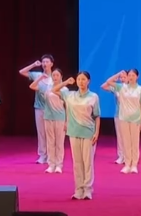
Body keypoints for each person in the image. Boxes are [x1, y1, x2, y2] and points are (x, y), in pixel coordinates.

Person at [53, 71, 101, 199]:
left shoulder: (94, 97)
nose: (81, 82)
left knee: (88, 162)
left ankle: (88, 189)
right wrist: (66, 82)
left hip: (88, 132)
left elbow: (96, 116)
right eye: (79, 79)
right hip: (74, 132)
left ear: (88, 81)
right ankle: (79, 189)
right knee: (77, 163)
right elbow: (54, 89)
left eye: (84, 79)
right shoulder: (70, 95)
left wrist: (96, 132)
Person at [102, 69, 141, 174]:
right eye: (129, 75)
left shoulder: (140, 89)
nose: (131, 77)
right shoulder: (121, 87)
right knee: (126, 142)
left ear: (137, 77)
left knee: (134, 142)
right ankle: (127, 164)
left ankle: (134, 165)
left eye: (133, 75)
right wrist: (118, 74)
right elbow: (108, 82)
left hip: (135, 119)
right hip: (123, 118)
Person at [19, 55, 56, 164]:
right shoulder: (37, 75)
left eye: (47, 62)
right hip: (39, 108)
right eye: (43, 62)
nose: (45, 64)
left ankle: (51, 156)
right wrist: (34, 65)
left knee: (51, 133)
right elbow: (22, 72)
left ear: (51, 64)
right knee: (41, 133)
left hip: (52, 109)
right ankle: (42, 155)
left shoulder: (55, 76)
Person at [31, 68, 69, 173]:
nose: (55, 77)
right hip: (48, 117)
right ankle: (51, 165)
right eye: (54, 75)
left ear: (61, 76)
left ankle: (59, 165)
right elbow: (32, 86)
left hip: (60, 118)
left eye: (57, 75)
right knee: (50, 142)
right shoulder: (48, 88)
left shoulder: (64, 90)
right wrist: (40, 78)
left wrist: (67, 121)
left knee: (59, 143)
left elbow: (68, 106)